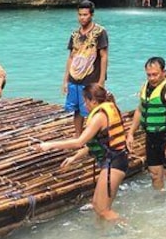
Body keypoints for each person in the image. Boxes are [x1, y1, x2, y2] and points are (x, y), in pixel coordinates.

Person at [39, 84, 128, 223]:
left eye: (85, 101)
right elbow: (97, 144)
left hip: (114, 163)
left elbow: (79, 142)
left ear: (93, 101)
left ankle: (129, 230)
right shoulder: (109, 107)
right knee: (97, 206)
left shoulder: (99, 116)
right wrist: (74, 157)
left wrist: (50, 145)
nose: (84, 106)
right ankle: (104, 237)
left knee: (104, 210)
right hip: (113, 161)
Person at [126, 56, 166, 191]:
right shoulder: (145, 86)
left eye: (155, 74)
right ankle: (160, 204)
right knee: (155, 174)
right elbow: (140, 109)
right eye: (148, 75)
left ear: (163, 72)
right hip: (151, 136)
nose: (152, 78)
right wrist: (131, 133)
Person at [63, 0, 109, 135]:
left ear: (91, 15)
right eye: (80, 15)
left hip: (91, 78)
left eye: (85, 14)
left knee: (92, 109)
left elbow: (104, 56)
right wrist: (65, 80)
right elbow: (71, 56)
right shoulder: (74, 34)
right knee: (77, 110)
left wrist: (101, 81)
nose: (82, 18)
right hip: (74, 78)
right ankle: (78, 136)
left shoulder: (100, 32)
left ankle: (92, 137)